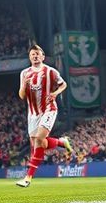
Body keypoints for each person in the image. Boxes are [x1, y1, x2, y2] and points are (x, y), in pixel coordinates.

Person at [15, 44, 73, 187]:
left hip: (49, 109)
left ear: (42, 56)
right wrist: (23, 86)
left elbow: (63, 84)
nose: (35, 56)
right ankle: (61, 142)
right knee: (40, 143)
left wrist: (54, 94)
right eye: (32, 54)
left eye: (37, 54)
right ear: (30, 57)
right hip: (33, 114)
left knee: (39, 140)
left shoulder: (50, 71)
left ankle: (28, 178)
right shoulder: (24, 73)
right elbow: (22, 96)